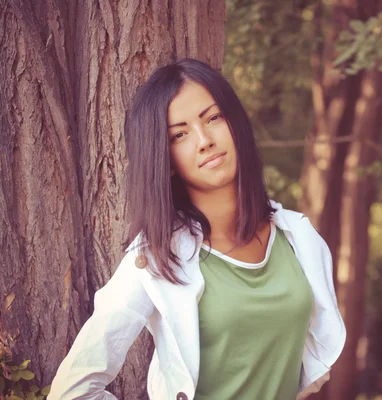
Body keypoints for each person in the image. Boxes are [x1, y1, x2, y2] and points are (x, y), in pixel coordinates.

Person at [48, 59, 345, 400]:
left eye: (213, 118)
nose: (204, 140)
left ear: (236, 124)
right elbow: (71, 391)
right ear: (166, 159)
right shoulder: (156, 257)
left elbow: (308, 363)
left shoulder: (298, 239)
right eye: (180, 134)